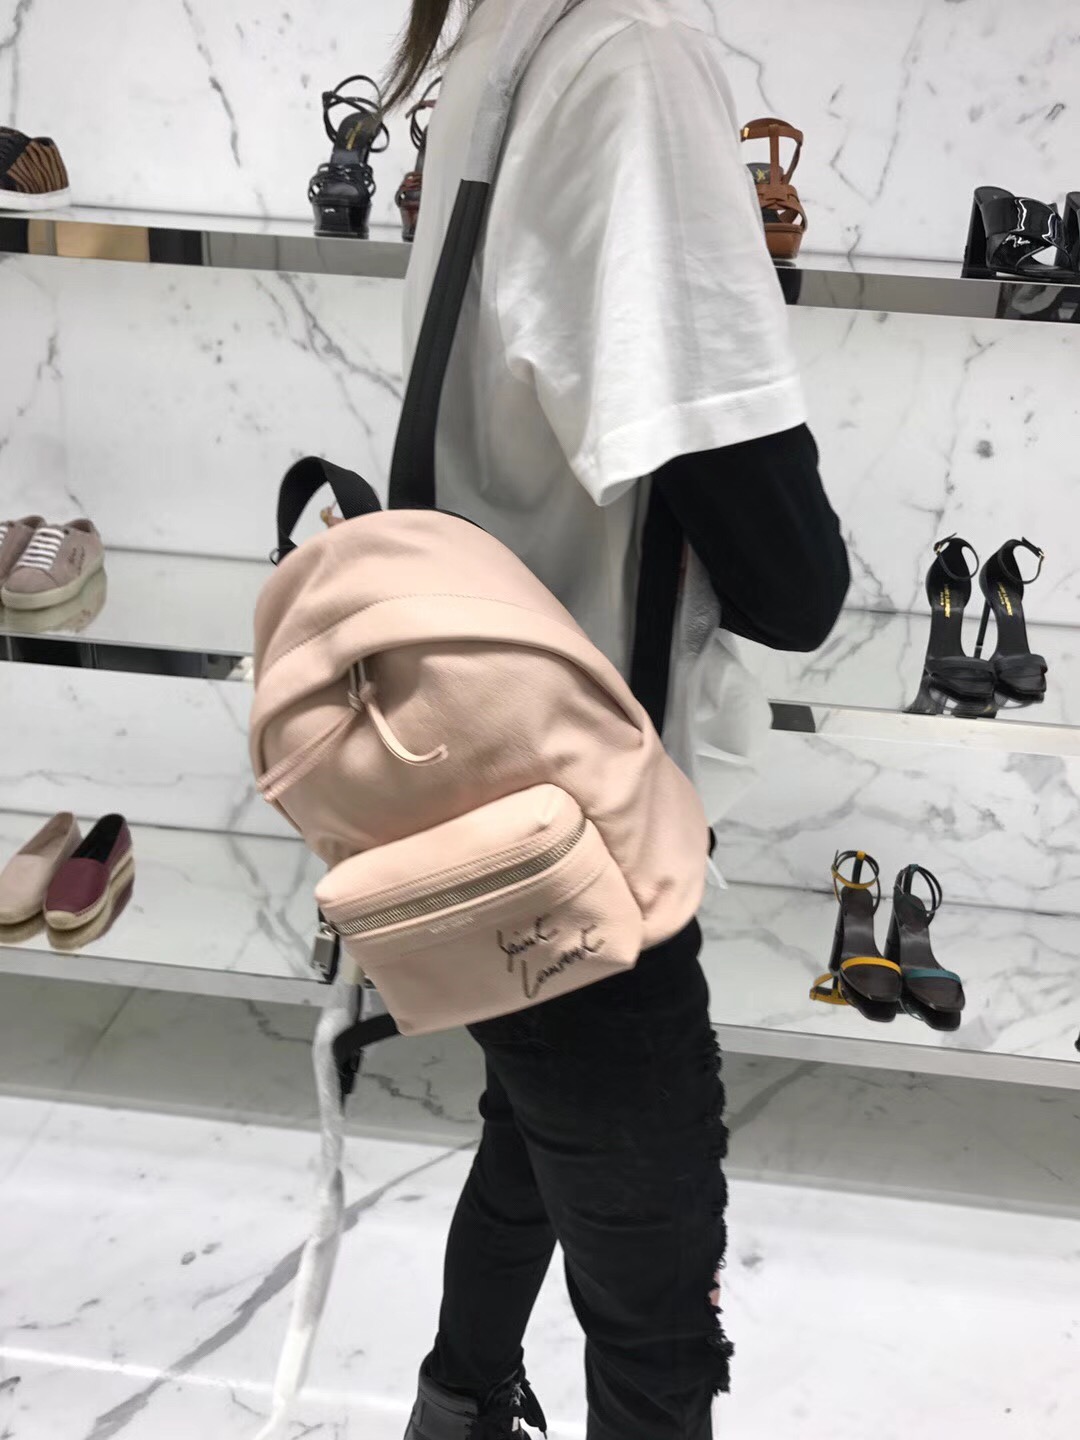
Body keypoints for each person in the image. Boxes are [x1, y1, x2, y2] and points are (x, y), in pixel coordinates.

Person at [390, 2, 850, 1437]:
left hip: (481, 755)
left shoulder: (499, 33)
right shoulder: (633, 51)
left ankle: (460, 1398)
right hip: (586, 805)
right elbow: (793, 583)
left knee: (533, 1130)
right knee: (655, 1323)